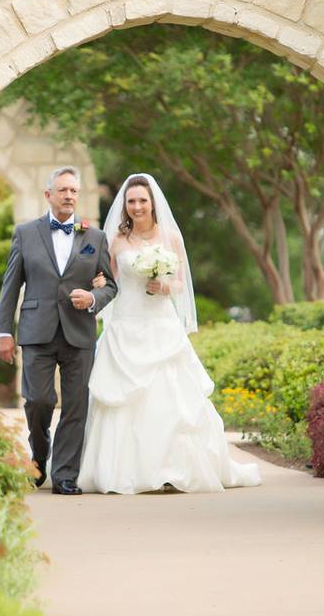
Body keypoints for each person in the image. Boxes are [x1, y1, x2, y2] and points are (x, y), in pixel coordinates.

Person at [77, 173, 262, 494]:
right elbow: (110, 281)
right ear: (125, 205)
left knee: (170, 401)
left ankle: (171, 470)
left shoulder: (170, 239)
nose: (136, 207)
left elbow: (180, 284)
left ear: (152, 204)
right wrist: (96, 285)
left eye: (142, 201)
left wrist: (164, 285)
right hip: (124, 326)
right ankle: (125, 472)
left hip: (161, 327)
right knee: (122, 402)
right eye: (131, 201)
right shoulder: (116, 241)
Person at [0, 166, 118, 495]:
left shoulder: (95, 237)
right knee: (38, 400)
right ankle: (38, 457)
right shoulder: (25, 233)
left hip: (79, 333)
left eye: (74, 191)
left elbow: (111, 286)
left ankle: (65, 476)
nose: (68, 196)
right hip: (37, 331)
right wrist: (3, 332)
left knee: (76, 404)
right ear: (48, 195)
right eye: (62, 190)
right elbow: (10, 286)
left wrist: (93, 297)